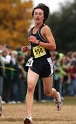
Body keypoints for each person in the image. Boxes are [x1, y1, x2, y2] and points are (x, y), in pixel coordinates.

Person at [21, 3, 62, 124]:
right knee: (30, 87)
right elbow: (34, 44)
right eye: (36, 13)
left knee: (48, 92)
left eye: (40, 14)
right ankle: (29, 117)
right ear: (33, 15)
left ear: (44, 17)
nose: (37, 16)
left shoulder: (45, 29)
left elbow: (53, 46)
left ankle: (57, 96)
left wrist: (37, 41)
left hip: (45, 62)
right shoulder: (30, 30)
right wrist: (28, 48)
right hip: (34, 62)